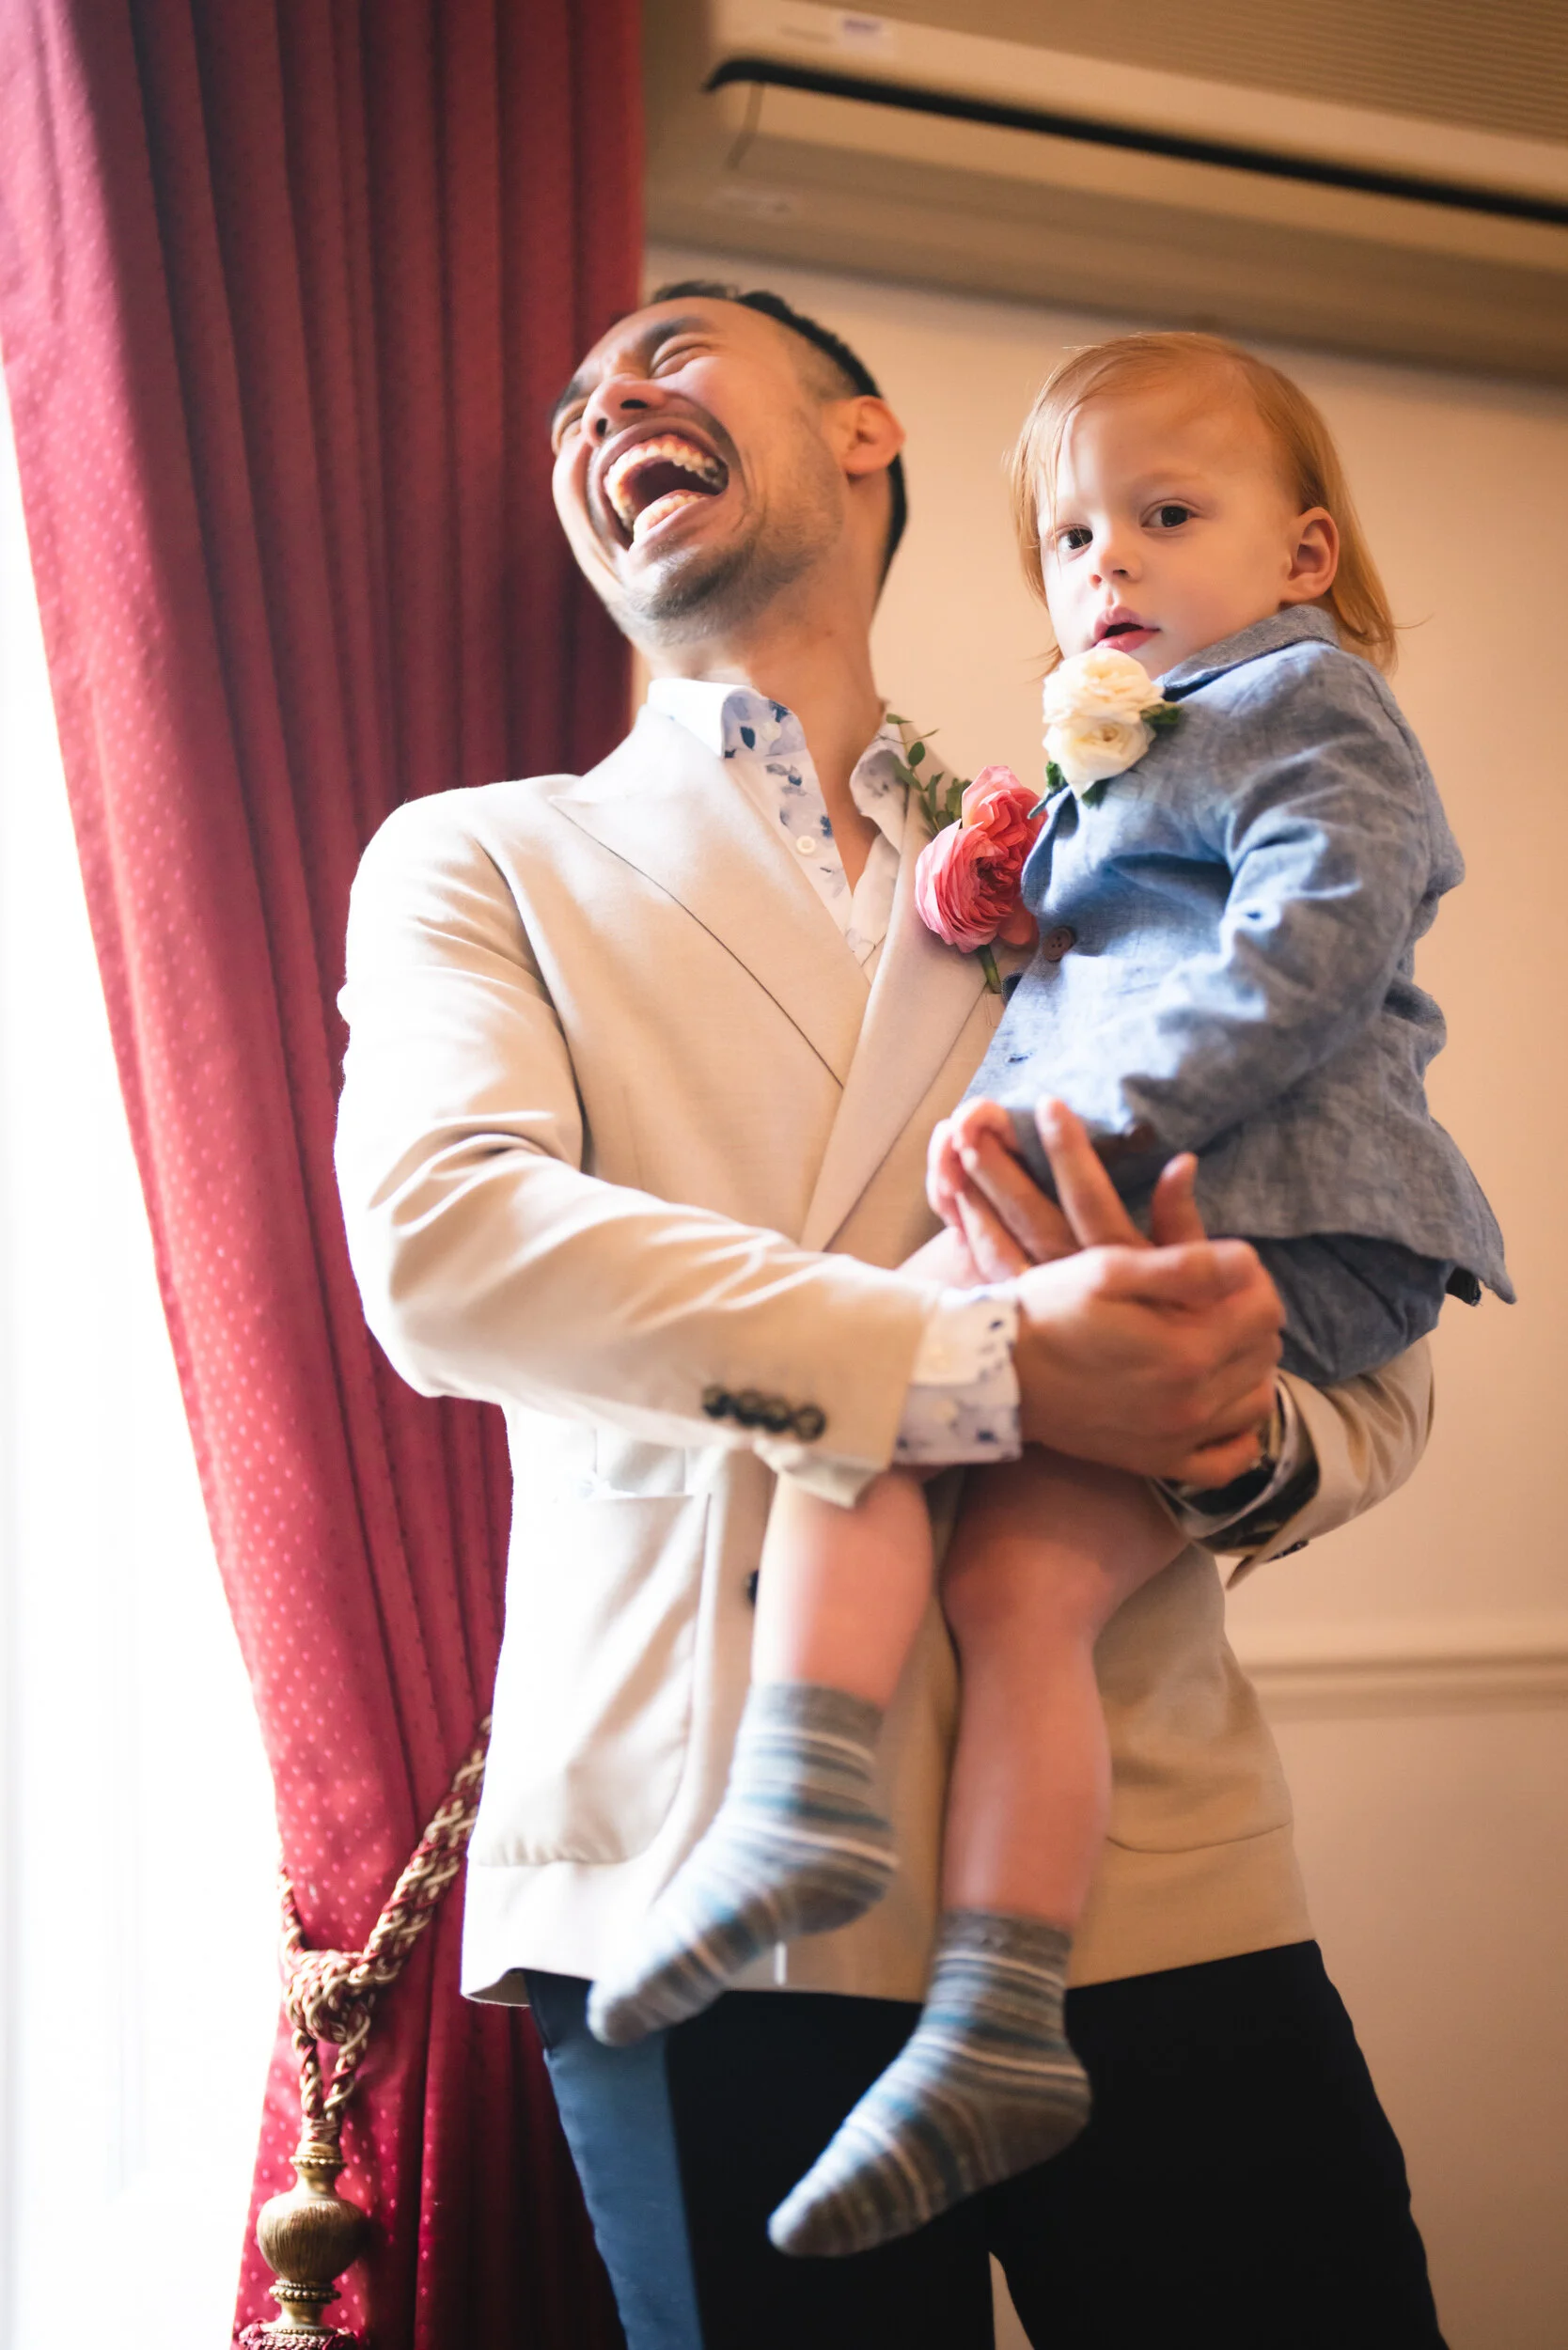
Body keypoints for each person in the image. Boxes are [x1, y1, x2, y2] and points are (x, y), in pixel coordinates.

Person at [334, 283, 1447, 2348]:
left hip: (1154, 1865)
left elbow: (1357, 1274)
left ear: (864, 433)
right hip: (699, 1873)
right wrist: (980, 1363)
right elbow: (446, 1247)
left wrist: (1230, 1431)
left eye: (669, 354)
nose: (606, 405)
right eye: (574, 403)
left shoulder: (1118, 820)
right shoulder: (476, 858)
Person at [581, 331, 1509, 2264]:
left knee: (873, 1395)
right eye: (1076, 536)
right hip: (1184, 1200)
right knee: (1016, 1587)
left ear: (1306, 550)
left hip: (1209, 1194)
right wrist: (1009, 898)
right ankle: (995, 2019)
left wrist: (1110, 1125)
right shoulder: (510, 850)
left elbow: (1309, 943)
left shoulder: (1292, 700)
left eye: (1164, 515)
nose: (1110, 562)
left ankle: (796, 1801)